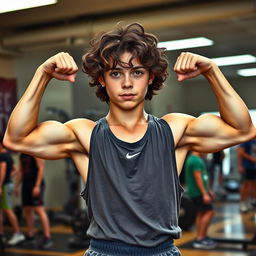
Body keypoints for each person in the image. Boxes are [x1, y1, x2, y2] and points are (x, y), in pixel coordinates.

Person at [3, 23, 255, 255]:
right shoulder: (85, 134)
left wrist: (212, 71)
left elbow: (242, 130)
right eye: (115, 73)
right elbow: (16, 140)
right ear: (102, 79)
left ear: (151, 77)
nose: (126, 83)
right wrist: (42, 74)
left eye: (136, 72)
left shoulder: (174, 130)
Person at [14, 153, 53, 249]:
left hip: (35, 184)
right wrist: (17, 186)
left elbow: (41, 168)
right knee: (27, 209)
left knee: (39, 210)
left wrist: (37, 185)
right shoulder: (22, 154)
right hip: (26, 184)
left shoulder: (35, 152)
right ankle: (30, 236)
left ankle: (47, 237)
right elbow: (20, 171)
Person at [185, 151, 216, 249]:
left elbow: (203, 177)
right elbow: (198, 177)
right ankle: (200, 238)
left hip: (196, 192)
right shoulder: (196, 160)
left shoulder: (192, 158)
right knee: (210, 212)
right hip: (198, 193)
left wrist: (208, 190)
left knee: (201, 213)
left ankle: (200, 236)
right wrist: (204, 194)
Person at [0, 141, 25, 246]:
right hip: (7, 184)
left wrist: (0, 185)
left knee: (7, 209)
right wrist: (9, 178)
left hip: (4, 186)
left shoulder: (2, 156)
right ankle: (1, 234)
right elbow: (14, 169)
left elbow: (3, 170)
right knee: (2, 210)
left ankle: (18, 233)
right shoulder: (8, 155)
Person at [237, 139, 256, 212]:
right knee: (245, 185)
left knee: (252, 184)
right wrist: (240, 166)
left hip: (253, 166)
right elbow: (240, 152)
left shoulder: (254, 141)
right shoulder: (246, 140)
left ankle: (248, 201)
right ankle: (242, 203)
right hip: (247, 166)